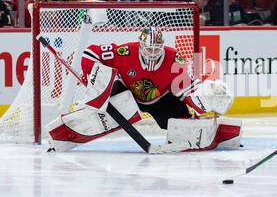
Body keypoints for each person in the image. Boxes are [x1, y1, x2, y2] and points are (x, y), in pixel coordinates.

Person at [46, 26, 241, 153]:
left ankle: (205, 131)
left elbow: (186, 90)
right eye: (149, 49)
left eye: (157, 49)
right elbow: (91, 53)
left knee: (179, 122)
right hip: (127, 93)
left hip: (161, 100)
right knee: (109, 108)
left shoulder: (174, 59)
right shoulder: (126, 51)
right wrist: (93, 76)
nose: (154, 54)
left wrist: (204, 102)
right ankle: (66, 134)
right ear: (140, 46)